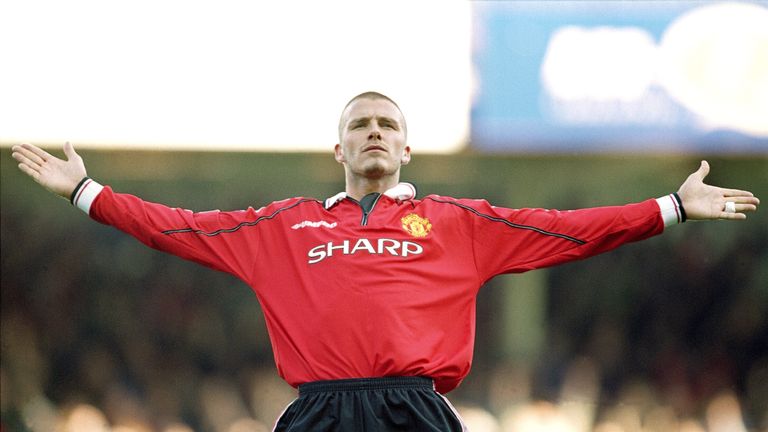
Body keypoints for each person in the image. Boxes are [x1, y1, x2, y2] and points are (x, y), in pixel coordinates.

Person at [11, 91, 760, 431]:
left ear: (407, 147)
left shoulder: (457, 223)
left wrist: (668, 207)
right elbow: (176, 227)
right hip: (318, 414)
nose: (374, 133)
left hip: (414, 411)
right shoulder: (284, 226)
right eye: (359, 125)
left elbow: (568, 228)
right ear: (337, 149)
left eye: (387, 125)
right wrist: (84, 190)